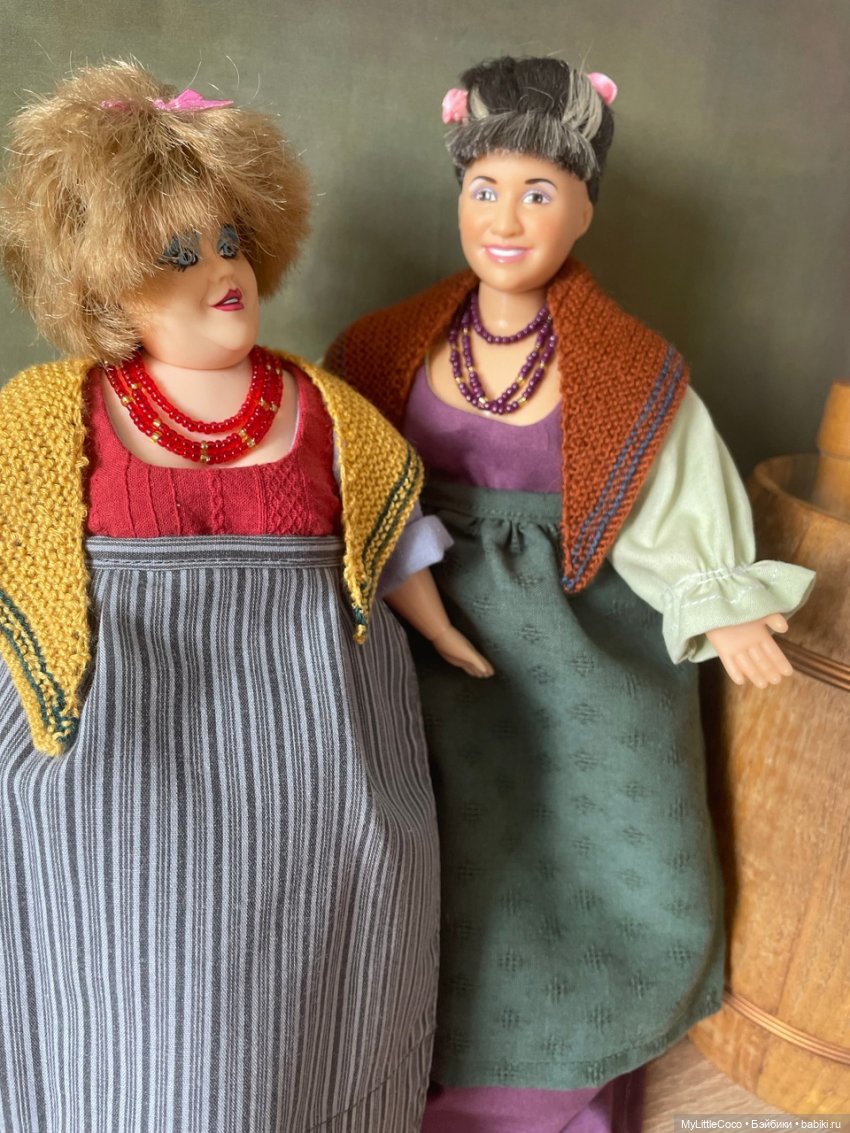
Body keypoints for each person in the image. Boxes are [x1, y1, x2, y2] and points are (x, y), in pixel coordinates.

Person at [326, 56, 815, 1133]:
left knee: (603, 840)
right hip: (421, 643)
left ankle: (557, 1074)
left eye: (538, 192)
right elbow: (352, 479)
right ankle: (408, 1063)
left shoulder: (627, 367)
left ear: (585, 205)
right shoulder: (382, 346)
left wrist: (718, 595)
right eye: (484, 188)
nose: (506, 219)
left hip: (581, 644)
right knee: (437, 855)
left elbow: (671, 487)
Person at [0, 61, 489, 1133]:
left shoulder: (324, 405)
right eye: (179, 254)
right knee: (143, 1013)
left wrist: (445, 632)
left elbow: (390, 541)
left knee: (306, 1007)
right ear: (102, 286)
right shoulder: (42, 417)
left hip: (314, 748)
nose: (223, 271)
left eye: (228, 241)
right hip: (119, 762)